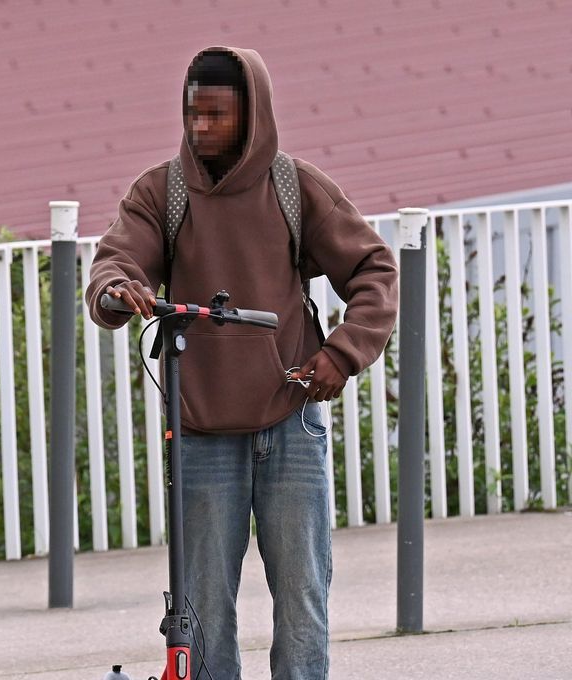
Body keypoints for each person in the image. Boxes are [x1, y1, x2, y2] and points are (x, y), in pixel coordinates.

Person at [87, 47, 399, 679]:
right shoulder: (162, 192)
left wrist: (343, 352)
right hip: (201, 433)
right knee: (200, 609)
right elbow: (113, 264)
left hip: (291, 424)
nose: (200, 129)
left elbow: (375, 271)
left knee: (303, 601)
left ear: (251, 115)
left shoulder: (295, 186)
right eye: (191, 115)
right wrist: (118, 292)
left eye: (215, 116)